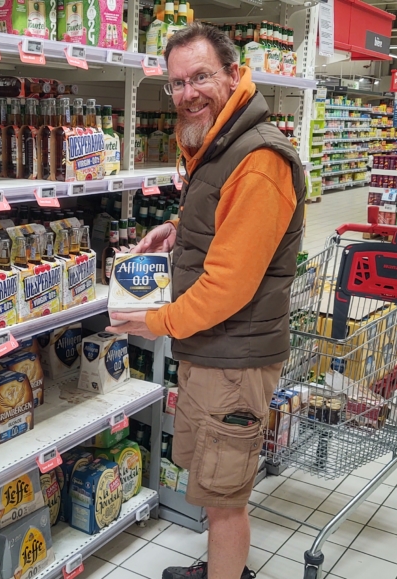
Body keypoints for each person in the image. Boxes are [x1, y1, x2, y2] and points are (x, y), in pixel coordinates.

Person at [105, 22, 305, 579]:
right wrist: (177, 229)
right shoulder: (221, 142)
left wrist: (156, 321)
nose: (188, 92)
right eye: (176, 83)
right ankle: (222, 568)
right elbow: (227, 222)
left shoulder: (260, 159)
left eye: (201, 77)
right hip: (213, 349)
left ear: (234, 75)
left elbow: (230, 284)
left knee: (226, 496)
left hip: (235, 358)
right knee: (215, 485)